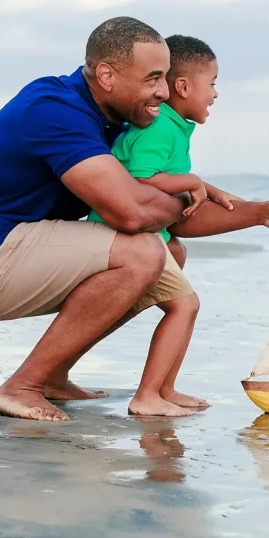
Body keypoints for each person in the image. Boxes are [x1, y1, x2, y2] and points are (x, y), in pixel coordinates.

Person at [0, 16, 269, 422]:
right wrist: (185, 191)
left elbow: (167, 218)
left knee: (168, 254)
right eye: (152, 79)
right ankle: (21, 386)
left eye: (166, 78)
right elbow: (133, 214)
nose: (164, 93)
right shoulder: (55, 109)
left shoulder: (116, 120)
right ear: (107, 76)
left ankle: (53, 376)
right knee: (141, 252)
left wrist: (261, 213)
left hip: (6, 251)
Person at [86, 34, 232, 417]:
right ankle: (148, 396)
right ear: (184, 87)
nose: (215, 94)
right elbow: (139, 178)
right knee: (185, 306)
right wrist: (191, 181)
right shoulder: (160, 129)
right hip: (127, 237)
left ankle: (164, 388)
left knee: (182, 294)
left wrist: (205, 187)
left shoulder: (172, 125)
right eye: (212, 84)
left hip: (146, 237)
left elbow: (164, 174)